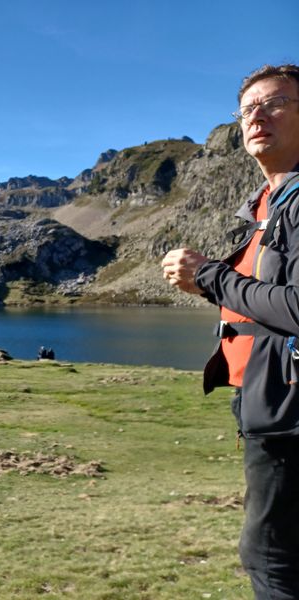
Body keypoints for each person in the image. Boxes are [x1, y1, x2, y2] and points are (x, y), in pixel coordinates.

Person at [161, 63, 299, 599]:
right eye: (247, 109)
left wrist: (211, 277)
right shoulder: (269, 201)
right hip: (269, 402)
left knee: (272, 559)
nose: (257, 116)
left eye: (276, 102)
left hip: (289, 417)